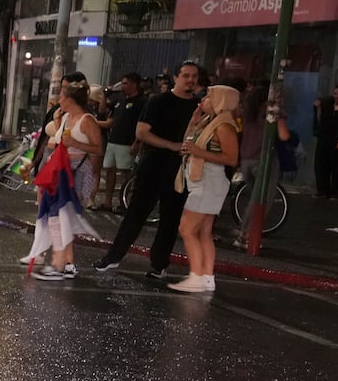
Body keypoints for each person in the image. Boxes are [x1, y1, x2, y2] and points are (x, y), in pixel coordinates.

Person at [93, 61, 203, 279]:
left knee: (170, 219)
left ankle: (159, 264)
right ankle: (113, 257)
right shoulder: (158, 101)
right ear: (176, 77)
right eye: (186, 75)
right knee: (136, 213)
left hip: (181, 170)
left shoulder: (198, 107)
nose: (191, 80)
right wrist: (171, 145)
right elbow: (142, 132)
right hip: (153, 165)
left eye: (194, 76)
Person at [169, 84, 241, 293]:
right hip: (201, 181)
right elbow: (189, 143)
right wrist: (193, 123)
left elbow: (231, 158)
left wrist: (198, 152)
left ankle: (197, 275)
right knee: (204, 232)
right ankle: (207, 276)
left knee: (187, 229)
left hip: (209, 181)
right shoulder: (208, 121)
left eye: (209, 97)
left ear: (221, 101)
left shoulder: (224, 125)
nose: (203, 101)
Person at [28, 79, 102, 280]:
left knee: (59, 218)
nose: (58, 100)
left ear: (69, 99)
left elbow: (98, 148)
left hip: (77, 174)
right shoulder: (67, 117)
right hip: (60, 173)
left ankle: (58, 265)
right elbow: (56, 139)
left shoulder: (87, 120)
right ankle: (67, 264)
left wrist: (75, 142)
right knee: (60, 217)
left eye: (61, 96)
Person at [94, 73, 144, 212]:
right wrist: (105, 95)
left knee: (125, 173)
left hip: (127, 142)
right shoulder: (119, 99)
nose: (123, 86)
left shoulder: (141, 102)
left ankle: (124, 202)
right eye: (122, 83)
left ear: (134, 85)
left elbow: (142, 123)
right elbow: (102, 110)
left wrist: (137, 142)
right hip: (113, 140)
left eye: (126, 83)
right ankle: (108, 202)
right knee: (110, 170)